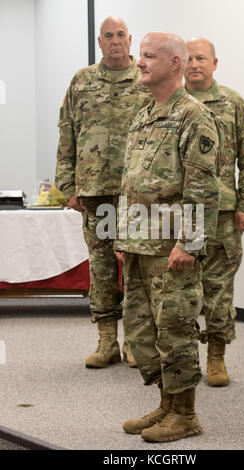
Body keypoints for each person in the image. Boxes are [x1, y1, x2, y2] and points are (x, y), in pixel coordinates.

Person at [114, 32, 220, 443]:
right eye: (140, 56)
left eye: (148, 56)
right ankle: (166, 404)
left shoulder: (194, 116)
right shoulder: (144, 113)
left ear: (174, 63)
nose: (139, 63)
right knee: (141, 331)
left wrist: (189, 244)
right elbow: (132, 182)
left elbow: (202, 188)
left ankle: (186, 414)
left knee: (174, 329)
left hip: (171, 247)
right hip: (139, 244)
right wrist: (123, 237)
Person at [55, 17, 150, 369]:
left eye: (120, 35)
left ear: (130, 40)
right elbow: (67, 133)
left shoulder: (145, 80)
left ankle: (135, 342)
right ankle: (107, 340)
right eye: (108, 36)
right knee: (103, 267)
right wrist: (67, 185)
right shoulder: (82, 81)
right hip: (96, 193)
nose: (114, 41)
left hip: (136, 194)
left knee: (138, 267)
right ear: (99, 42)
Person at [184, 38, 244, 386]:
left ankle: (216, 357)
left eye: (201, 58)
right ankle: (181, 359)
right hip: (178, 213)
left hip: (222, 214)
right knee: (179, 290)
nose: (194, 64)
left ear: (215, 63)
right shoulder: (170, 102)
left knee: (218, 288)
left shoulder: (233, 103)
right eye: (188, 58)